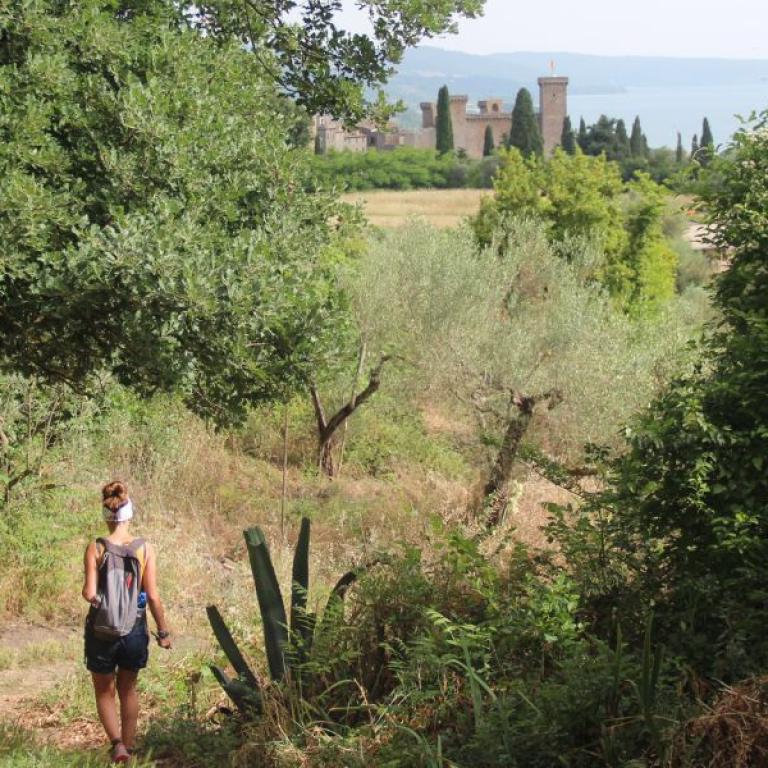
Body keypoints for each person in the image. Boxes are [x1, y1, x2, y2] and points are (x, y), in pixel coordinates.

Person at [82, 481, 172, 763]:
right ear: (129, 514)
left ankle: (117, 744)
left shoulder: (96, 547)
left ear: (105, 515)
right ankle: (130, 748)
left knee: (104, 690)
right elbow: (154, 597)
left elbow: (88, 593)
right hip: (134, 630)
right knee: (128, 688)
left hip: (101, 630)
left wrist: (104, 604)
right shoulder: (144, 548)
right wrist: (163, 631)